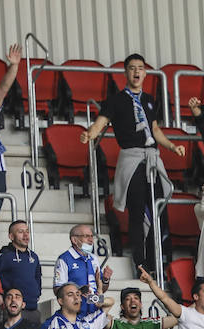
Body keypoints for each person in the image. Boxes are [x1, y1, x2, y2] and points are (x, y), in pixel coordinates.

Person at [80, 53, 186, 271]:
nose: (136, 72)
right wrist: (90, 133)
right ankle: (141, 263)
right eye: (132, 68)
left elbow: (155, 129)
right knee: (137, 212)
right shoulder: (116, 100)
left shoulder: (148, 99)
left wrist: (172, 146)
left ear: (145, 72)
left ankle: (159, 261)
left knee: (158, 209)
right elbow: (101, 122)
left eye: (140, 68)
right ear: (126, 72)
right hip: (133, 158)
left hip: (153, 160)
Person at [0, 220, 42, 320]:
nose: (25, 235)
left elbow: (38, 276)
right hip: (13, 311)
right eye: (21, 232)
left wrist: (38, 292)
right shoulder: (6, 256)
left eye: (27, 231)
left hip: (33, 308)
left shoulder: (34, 256)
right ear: (11, 236)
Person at [54, 224, 111, 316]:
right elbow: (57, 290)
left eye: (92, 236)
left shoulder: (93, 258)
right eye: (86, 236)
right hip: (74, 314)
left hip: (94, 313)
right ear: (74, 240)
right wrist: (79, 291)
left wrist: (105, 280)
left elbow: (101, 290)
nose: (91, 240)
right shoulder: (64, 259)